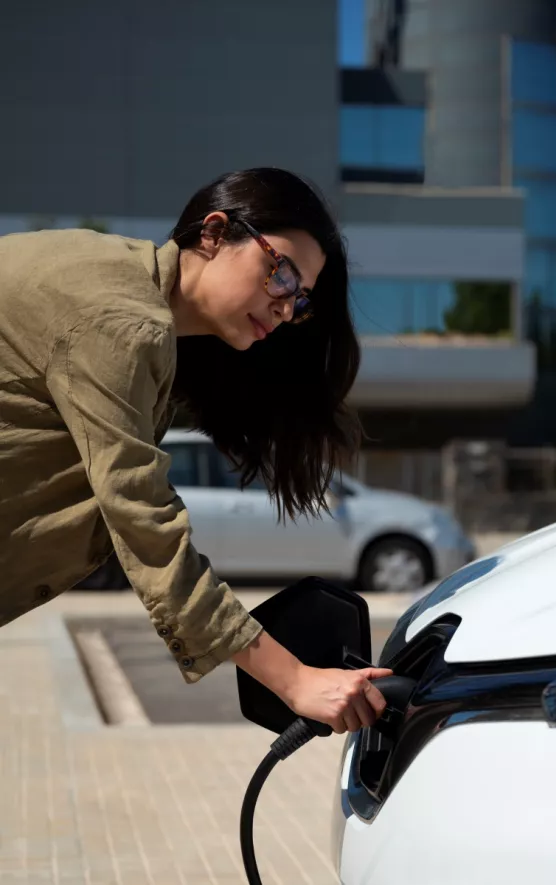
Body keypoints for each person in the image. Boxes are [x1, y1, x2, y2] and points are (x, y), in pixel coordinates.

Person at [0, 167, 390, 734]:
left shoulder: (123, 289)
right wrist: (293, 679)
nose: (286, 306)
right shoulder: (121, 322)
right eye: (280, 273)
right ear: (213, 233)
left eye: (300, 298)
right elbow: (145, 524)